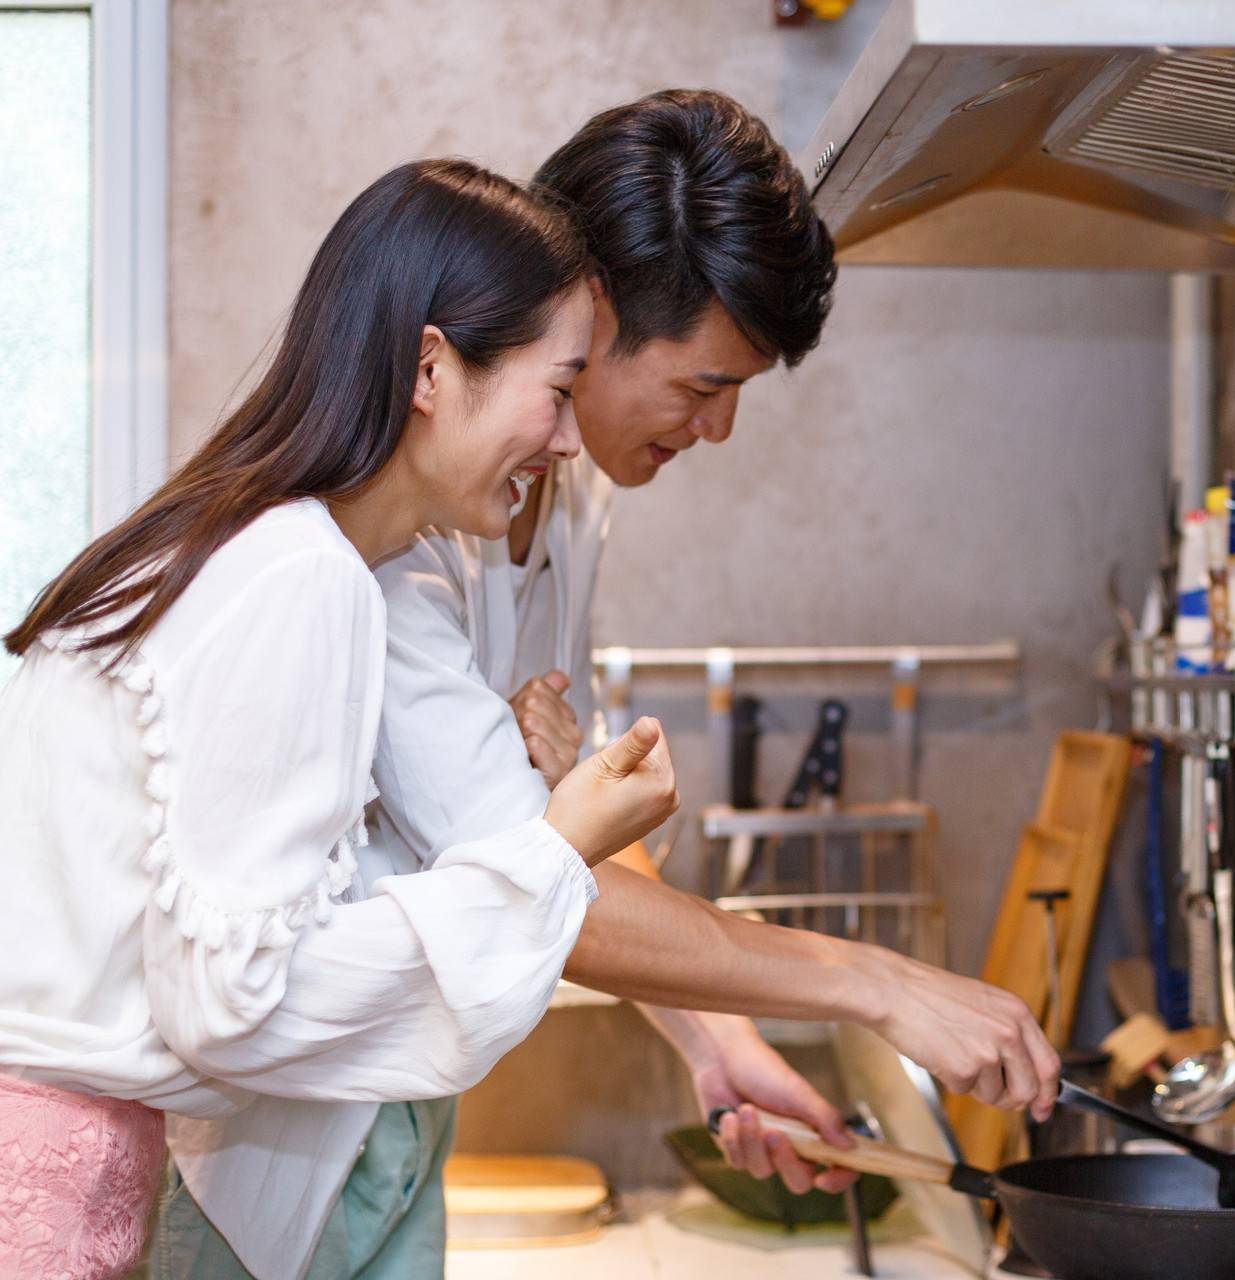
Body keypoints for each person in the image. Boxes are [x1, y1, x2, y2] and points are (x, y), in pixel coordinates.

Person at [150, 94, 1061, 1279]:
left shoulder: (566, 500)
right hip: (266, 1158)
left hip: (404, 1109)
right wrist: (874, 983)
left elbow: (557, 832)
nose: (719, 427)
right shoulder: (378, 548)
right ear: (593, 314)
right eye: (704, 384)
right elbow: (532, 869)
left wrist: (720, 1043)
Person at [0, 158, 679, 1279]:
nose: (569, 441)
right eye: (558, 391)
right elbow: (234, 1004)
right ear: (431, 368)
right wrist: (555, 850)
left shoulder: (253, 540)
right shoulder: (302, 571)